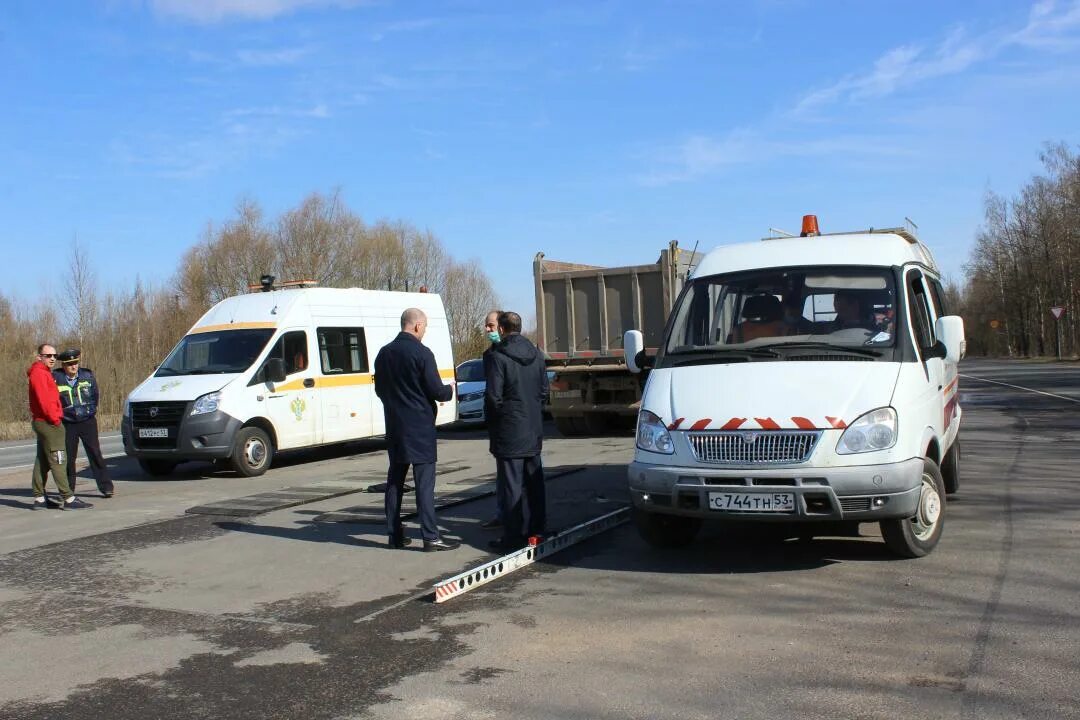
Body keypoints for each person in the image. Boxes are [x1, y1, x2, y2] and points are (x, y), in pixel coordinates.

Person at [373, 308, 458, 552]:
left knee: (395, 481)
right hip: (420, 428)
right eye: (425, 327)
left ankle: (394, 535)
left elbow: (380, 390)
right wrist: (449, 390)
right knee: (424, 484)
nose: (425, 331)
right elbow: (435, 390)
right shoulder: (422, 353)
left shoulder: (384, 353)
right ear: (418, 326)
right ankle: (430, 537)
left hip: (395, 426)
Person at [484, 311, 549, 552]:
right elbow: (544, 390)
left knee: (511, 486)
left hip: (509, 430)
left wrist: (496, 422)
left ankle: (513, 537)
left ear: (501, 329)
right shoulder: (537, 354)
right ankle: (537, 529)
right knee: (535, 483)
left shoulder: (497, 357)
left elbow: (493, 397)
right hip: (533, 428)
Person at [27, 344, 91, 510]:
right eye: (48, 356)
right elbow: (44, 401)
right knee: (59, 459)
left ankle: (39, 498)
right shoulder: (39, 374)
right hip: (48, 422)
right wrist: (55, 420)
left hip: (44, 421)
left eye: (54, 355)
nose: (53, 358)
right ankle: (68, 498)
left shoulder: (43, 373)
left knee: (42, 460)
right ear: (39, 356)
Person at [54, 349, 114, 498]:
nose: (74, 367)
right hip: (68, 423)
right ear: (63, 365)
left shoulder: (87, 375)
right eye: (70, 364)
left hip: (87, 421)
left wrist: (90, 411)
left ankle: (106, 486)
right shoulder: (56, 378)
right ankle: (69, 490)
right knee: (69, 457)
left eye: (75, 363)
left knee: (95, 453)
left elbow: (95, 396)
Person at [479, 309, 504, 531]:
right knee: (503, 471)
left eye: (491, 326)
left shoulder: (516, 353)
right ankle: (502, 512)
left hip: (516, 422)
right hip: (498, 424)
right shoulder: (489, 355)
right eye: (486, 326)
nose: (488, 330)